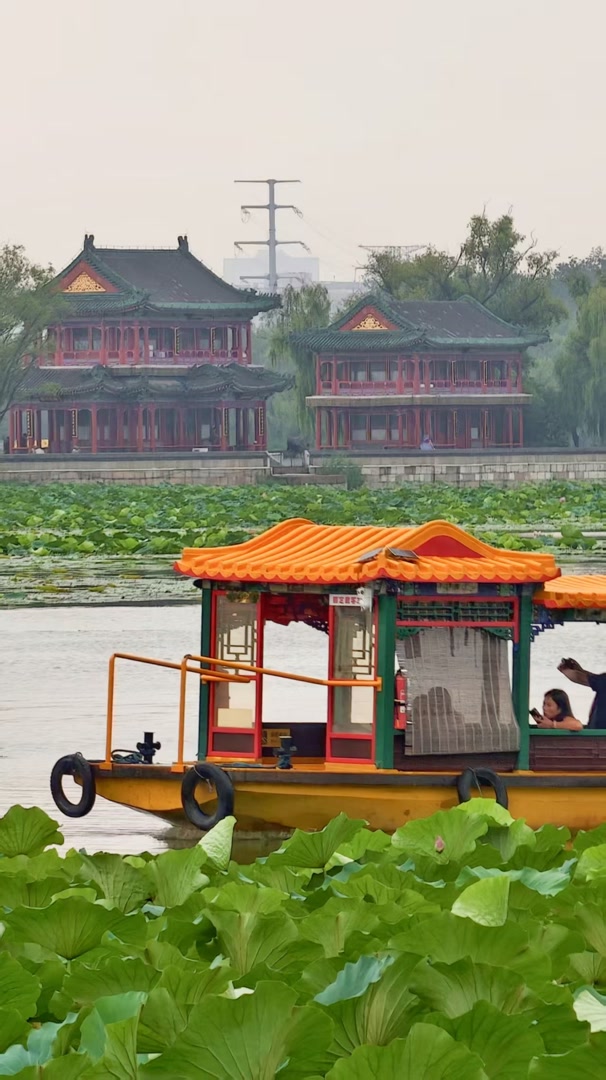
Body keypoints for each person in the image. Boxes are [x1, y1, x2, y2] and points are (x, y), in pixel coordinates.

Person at [558, 657, 606, 729]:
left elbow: (579, 678)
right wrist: (579, 670)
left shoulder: (603, 680)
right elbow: (594, 678)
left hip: (599, 731)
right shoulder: (602, 680)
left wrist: (565, 669)